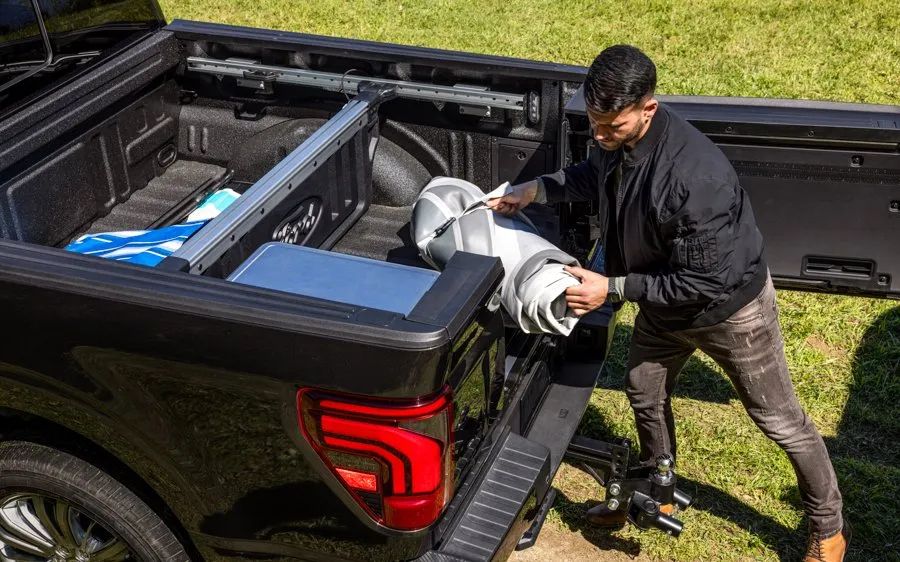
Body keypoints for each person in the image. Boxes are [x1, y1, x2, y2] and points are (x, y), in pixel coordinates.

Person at [487, 45, 848, 562]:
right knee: (643, 389)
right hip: (661, 297)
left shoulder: (696, 179)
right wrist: (535, 190)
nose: (600, 135)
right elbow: (596, 178)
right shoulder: (615, 136)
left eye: (612, 125)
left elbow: (700, 283)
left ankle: (829, 528)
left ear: (648, 109)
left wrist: (610, 289)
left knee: (780, 420)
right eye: (594, 121)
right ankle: (654, 491)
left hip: (728, 312)